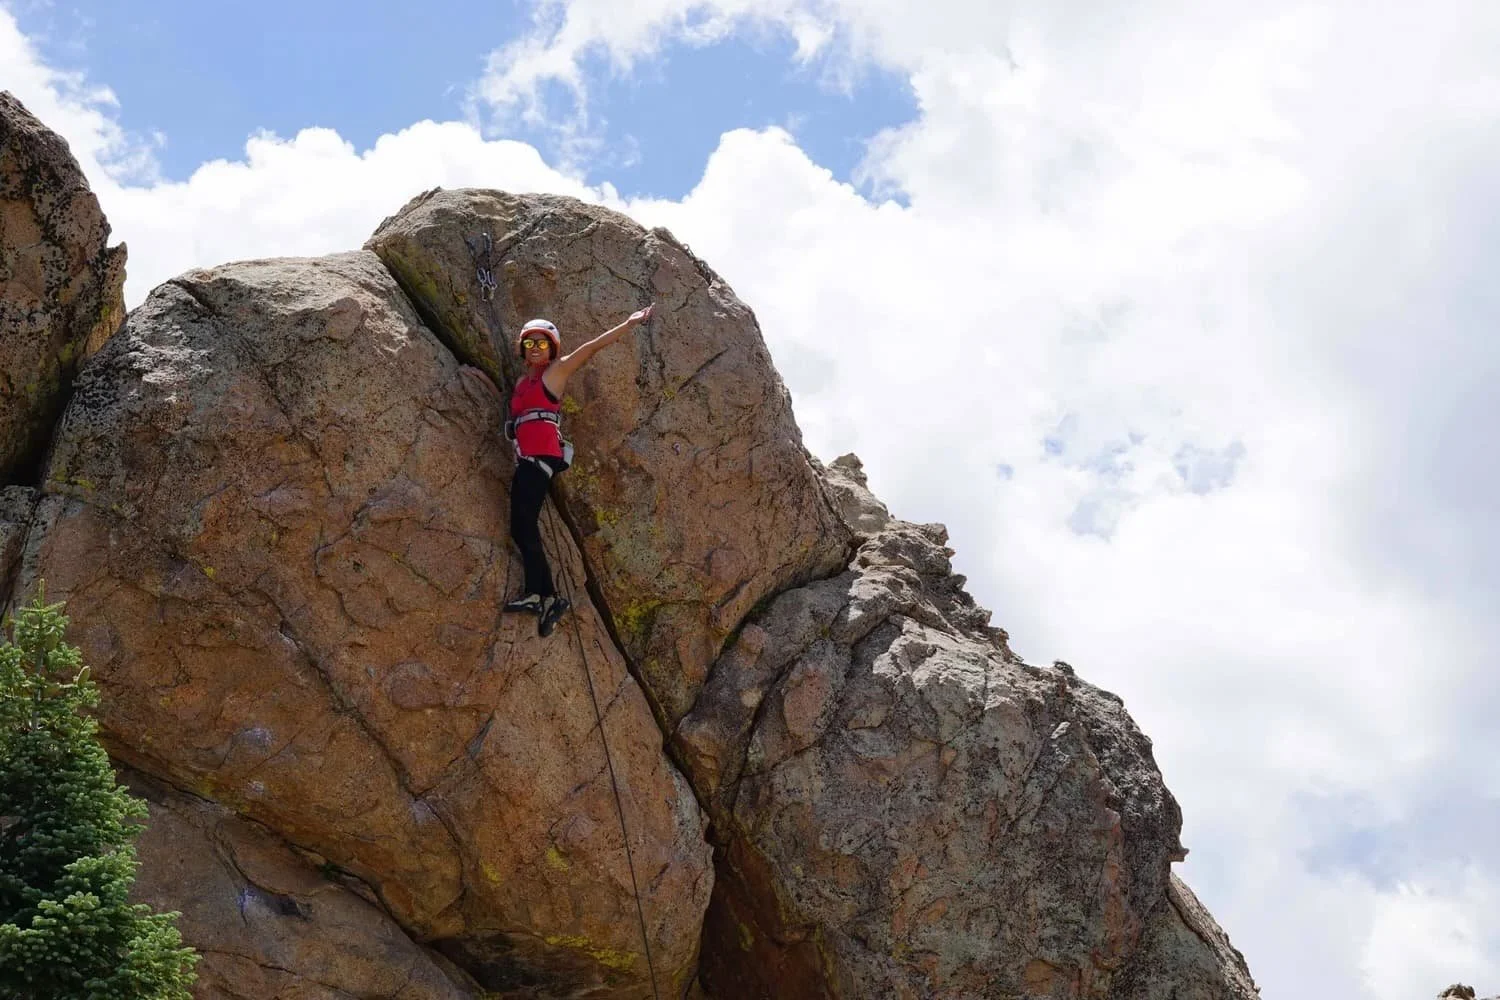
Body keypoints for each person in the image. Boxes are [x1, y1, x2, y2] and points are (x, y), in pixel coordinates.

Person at [501, 305, 654, 636]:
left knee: (523, 526)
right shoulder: (521, 383)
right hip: (528, 459)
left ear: (552, 348)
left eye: (542, 343)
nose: (536, 348)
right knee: (521, 527)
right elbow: (518, 415)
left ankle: (545, 596)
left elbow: (591, 348)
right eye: (530, 344)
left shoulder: (553, 374)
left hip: (539, 460)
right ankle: (541, 595)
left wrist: (628, 323)